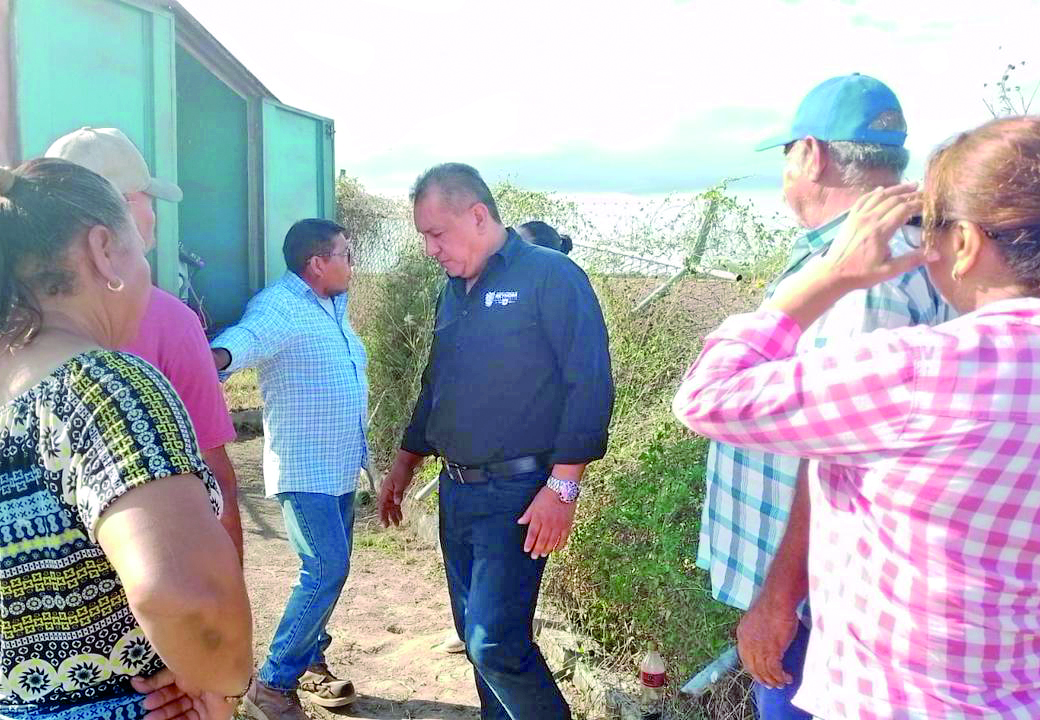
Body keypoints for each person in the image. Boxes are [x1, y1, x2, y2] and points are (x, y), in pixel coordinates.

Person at [675, 114, 1040, 718]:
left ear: (965, 243)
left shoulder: (925, 370)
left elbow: (709, 396)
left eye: (930, 228)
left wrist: (831, 273)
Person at [0, 159, 252, 720]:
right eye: (140, 250)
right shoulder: (104, 385)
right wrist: (220, 684)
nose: (146, 270)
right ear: (104, 250)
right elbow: (188, 600)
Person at [693, 73, 950, 719]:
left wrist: (780, 598)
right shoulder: (900, 254)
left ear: (811, 154)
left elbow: (841, 452)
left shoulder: (863, 276)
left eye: (786, 157)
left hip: (818, 599)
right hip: (826, 589)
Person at [378, 163, 615, 720]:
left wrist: (564, 488)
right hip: (456, 491)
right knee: (474, 637)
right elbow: (436, 383)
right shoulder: (453, 291)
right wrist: (405, 463)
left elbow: (590, 382)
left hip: (519, 493)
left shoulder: (550, 276)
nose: (430, 248)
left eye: (436, 233)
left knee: (495, 644)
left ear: (477, 215)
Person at [45, 126, 245, 567]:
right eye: (147, 198)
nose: (153, 213)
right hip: (138, 603)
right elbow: (214, 475)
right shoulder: (169, 320)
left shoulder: (3, 323)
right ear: (125, 209)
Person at [210, 219, 366, 720]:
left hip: (339, 469)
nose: (351, 261)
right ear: (318, 263)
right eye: (345, 253)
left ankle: (310, 660)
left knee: (331, 571)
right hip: (306, 471)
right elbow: (244, 341)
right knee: (326, 568)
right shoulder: (281, 306)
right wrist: (210, 356)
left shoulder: (332, 307)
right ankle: (273, 684)